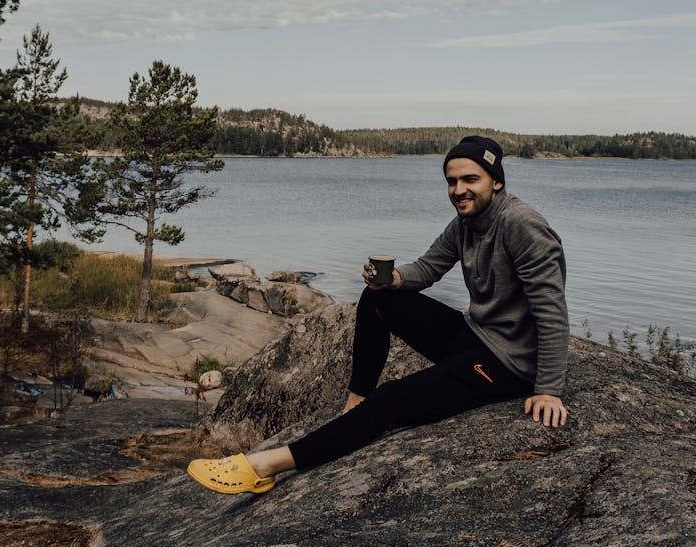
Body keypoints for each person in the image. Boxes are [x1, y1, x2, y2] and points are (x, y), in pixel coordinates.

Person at [187, 135, 569, 496]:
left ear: (496, 182)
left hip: (507, 364)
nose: (459, 190)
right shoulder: (466, 222)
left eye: (471, 179)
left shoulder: (524, 227)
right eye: (452, 182)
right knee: (377, 299)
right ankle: (356, 402)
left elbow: (552, 313)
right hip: (475, 335)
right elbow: (429, 268)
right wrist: (394, 279)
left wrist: (548, 390)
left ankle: (264, 466)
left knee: (395, 399)